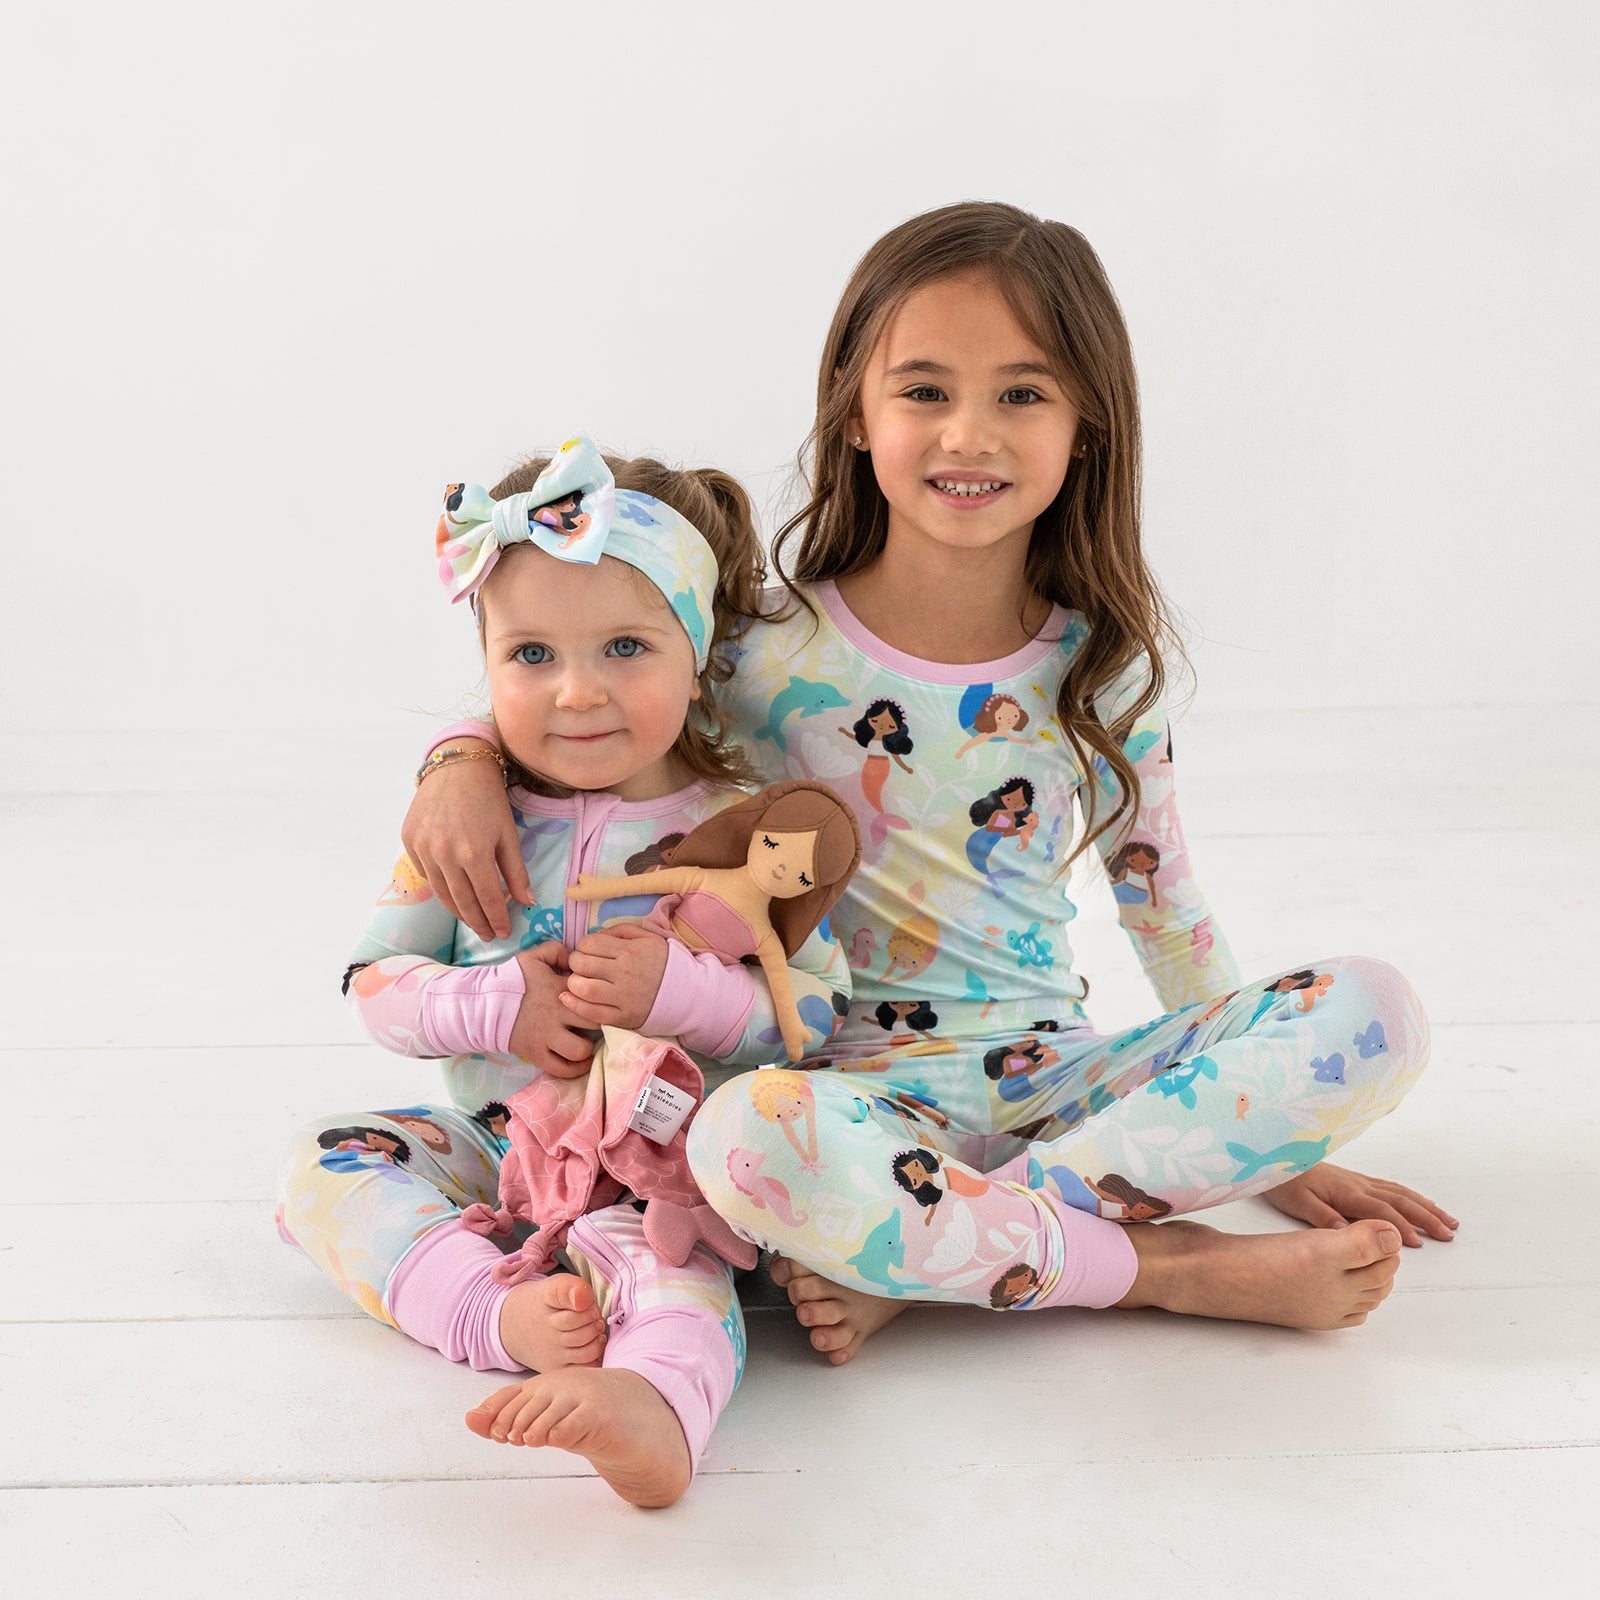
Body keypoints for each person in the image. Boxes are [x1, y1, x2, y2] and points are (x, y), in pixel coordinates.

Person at [400, 202, 1455, 1369]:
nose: (971, 434)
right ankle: (1163, 1270)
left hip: (1057, 1077)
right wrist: (459, 758)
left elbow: (1167, 914)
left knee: (1376, 1010)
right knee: (740, 1136)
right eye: (924, 391)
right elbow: (587, 692)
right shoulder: (758, 646)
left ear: (1085, 428)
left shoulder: (1095, 669)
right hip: (842, 1095)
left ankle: (936, 1255)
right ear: (855, 413)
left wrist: (1281, 1139)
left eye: (1021, 393)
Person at [276, 438, 849, 1506]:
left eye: (625, 646)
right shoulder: (471, 827)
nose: (575, 692)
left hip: (657, 1165)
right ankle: (489, 1311)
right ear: (486, 660)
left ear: (700, 648)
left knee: (676, 1261)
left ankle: (657, 1404)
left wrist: (679, 995)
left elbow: (813, 1012)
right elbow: (372, 983)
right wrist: (497, 1000)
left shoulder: (737, 832)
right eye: (530, 654)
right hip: (500, 1145)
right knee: (324, 1166)